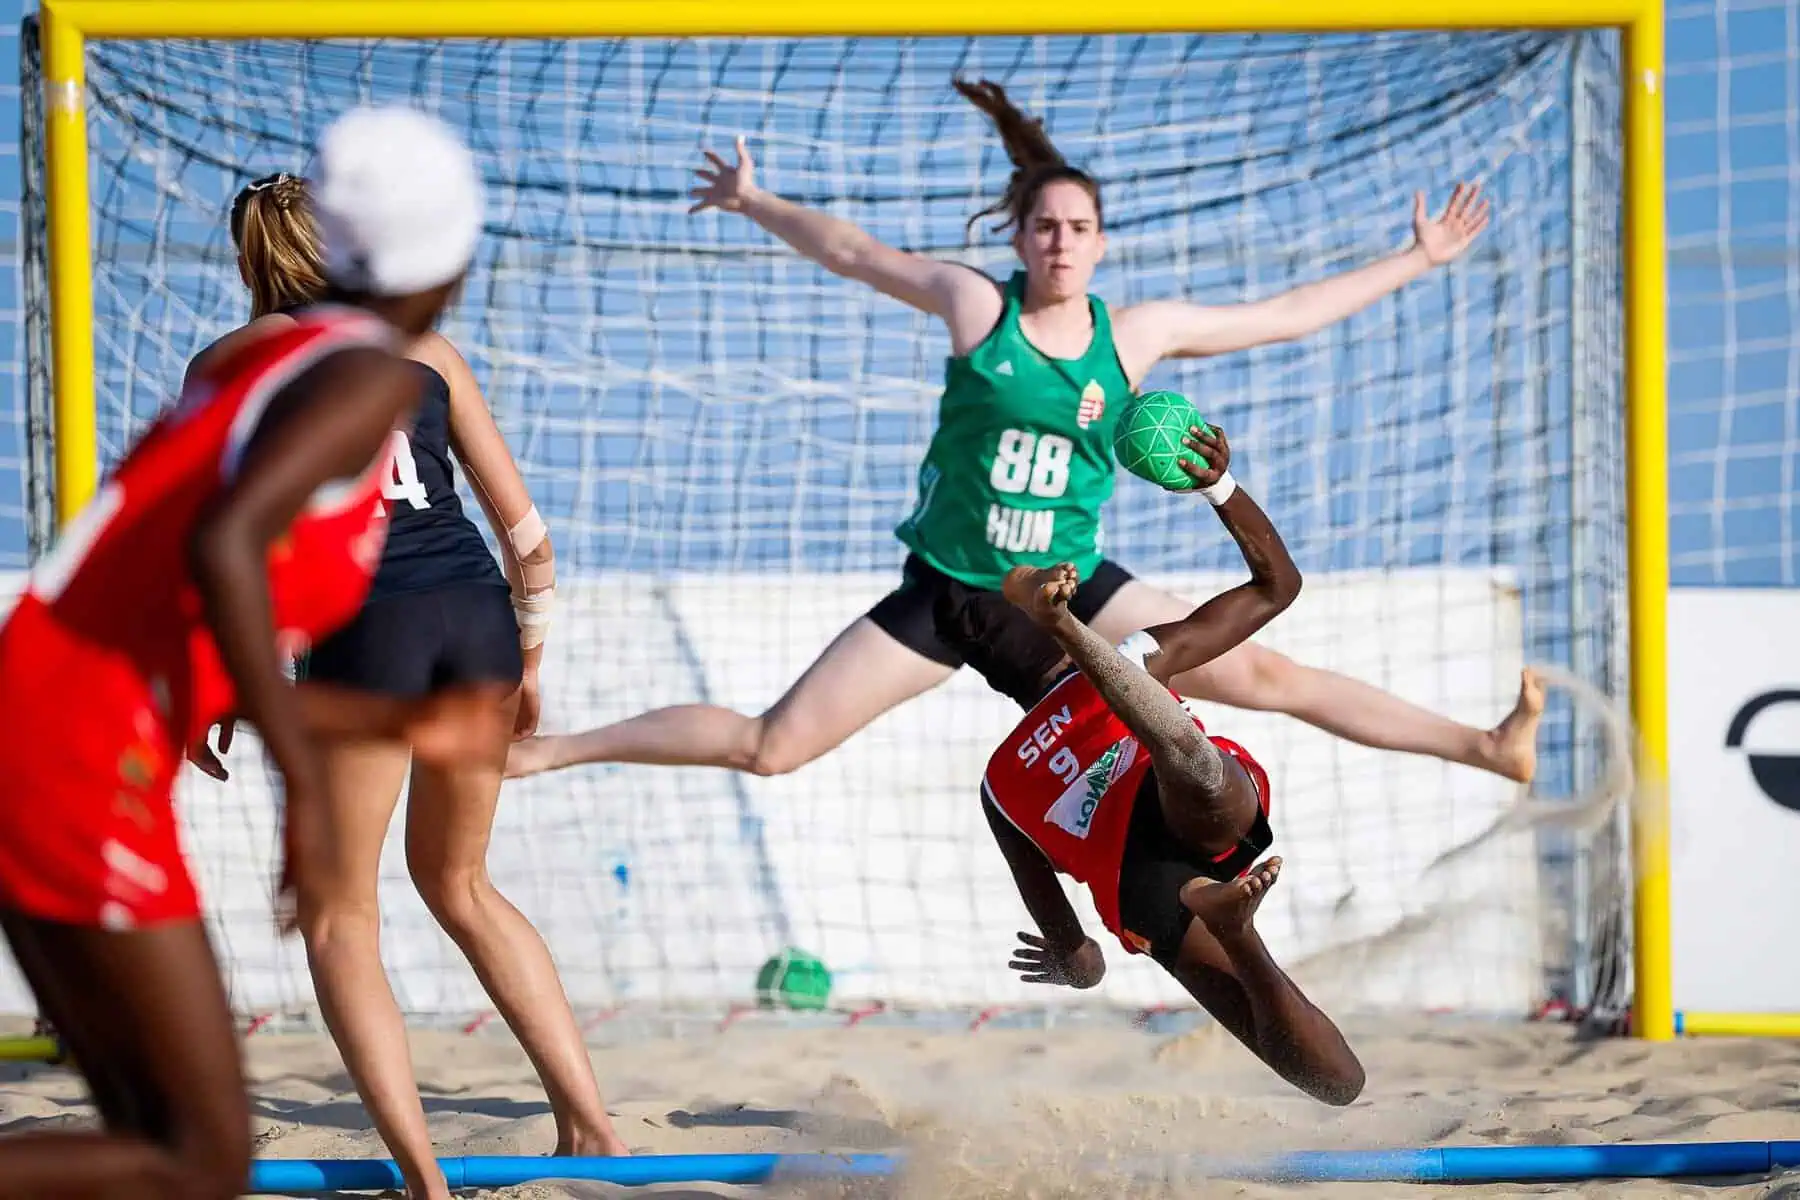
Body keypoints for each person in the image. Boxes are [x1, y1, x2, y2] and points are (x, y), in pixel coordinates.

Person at [504, 76, 1544, 790]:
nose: (1061, 241)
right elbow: (856, 252)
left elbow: (1282, 313)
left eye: (1079, 227)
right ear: (1019, 235)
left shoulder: (1138, 337)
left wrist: (1418, 261)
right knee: (772, 747)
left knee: (1269, 677)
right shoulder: (974, 309)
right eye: (1045, 225)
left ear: (1100, 243)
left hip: (1075, 590)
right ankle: (546, 755)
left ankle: (1486, 747)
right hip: (953, 591)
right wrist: (755, 198)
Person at [0, 106, 508, 1199]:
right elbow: (222, 543)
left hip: (62, 719)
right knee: (199, 1155)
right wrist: (305, 802)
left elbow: (186, 564)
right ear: (451, 259)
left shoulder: (250, 370)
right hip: (74, 752)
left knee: (167, 1136)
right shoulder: (368, 377)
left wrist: (381, 723)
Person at [185, 171, 628, 1197]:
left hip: (364, 627)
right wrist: (531, 661)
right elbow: (529, 538)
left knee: (344, 918)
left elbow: (212, 544)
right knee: (463, 884)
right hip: (473, 615)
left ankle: (426, 1182)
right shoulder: (425, 352)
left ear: (253, 260)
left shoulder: (230, 363)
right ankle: (593, 1126)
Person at [944, 423, 1362, 1105]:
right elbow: (1276, 586)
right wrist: (1217, 486)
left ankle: (1238, 934)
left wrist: (1069, 961)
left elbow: (1084, 964)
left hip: (1143, 885)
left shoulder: (999, 786)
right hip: (1194, 799)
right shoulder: (1139, 651)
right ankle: (1085, 646)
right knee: (1184, 757)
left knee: (1337, 1085)